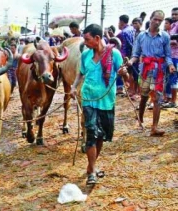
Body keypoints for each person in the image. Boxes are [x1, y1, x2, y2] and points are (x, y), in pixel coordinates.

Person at [70, 24, 125, 185]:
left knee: (102, 135)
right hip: (88, 98)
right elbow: (81, 73)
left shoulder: (114, 54)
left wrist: (124, 73)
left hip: (106, 100)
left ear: (97, 38)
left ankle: (90, 166)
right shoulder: (86, 55)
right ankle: (92, 171)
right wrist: (73, 87)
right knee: (91, 133)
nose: (85, 42)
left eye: (87, 39)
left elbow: (124, 75)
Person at [127, 10, 175, 137]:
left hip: (159, 71)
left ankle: (154, 127)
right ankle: (140, 119)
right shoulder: (141, 36)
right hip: (145, 70)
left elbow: (168, 55)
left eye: (160, 20)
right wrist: (131, 62)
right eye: (155, 19)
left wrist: (170, 65)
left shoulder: (164, 36)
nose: (157, 22)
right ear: (151, 18)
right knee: (144, 97)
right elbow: (136, 54)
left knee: (157, 99)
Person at [162, 8, 178, 109]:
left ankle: (174, 101)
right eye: (173, 14)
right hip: (169, 56)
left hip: (176, 56)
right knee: (168, 78)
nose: (174, 16)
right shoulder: (172, 26)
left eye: (176, 14)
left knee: (174, 78)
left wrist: (171, 41)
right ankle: (168, 99)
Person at [116, 14, 135, 95]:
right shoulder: (132, 29)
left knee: (120, 70)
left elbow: (123, 45)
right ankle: (130, 89)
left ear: (121, 21)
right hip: (132, 54)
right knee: (131, 73)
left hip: (124, 54)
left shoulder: (123, 32)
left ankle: (120, 88)